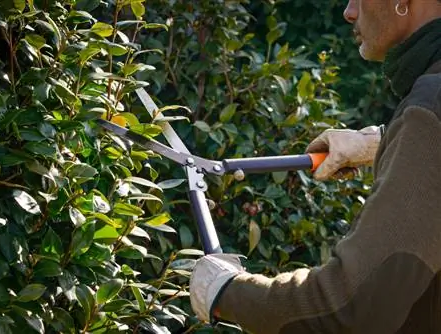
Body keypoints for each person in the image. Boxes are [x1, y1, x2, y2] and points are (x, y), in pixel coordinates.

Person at [189, 0, 441, 333]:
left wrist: (226, 291)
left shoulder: (430, 107)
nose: (349, 12)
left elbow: (351, 307)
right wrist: (383, 140)